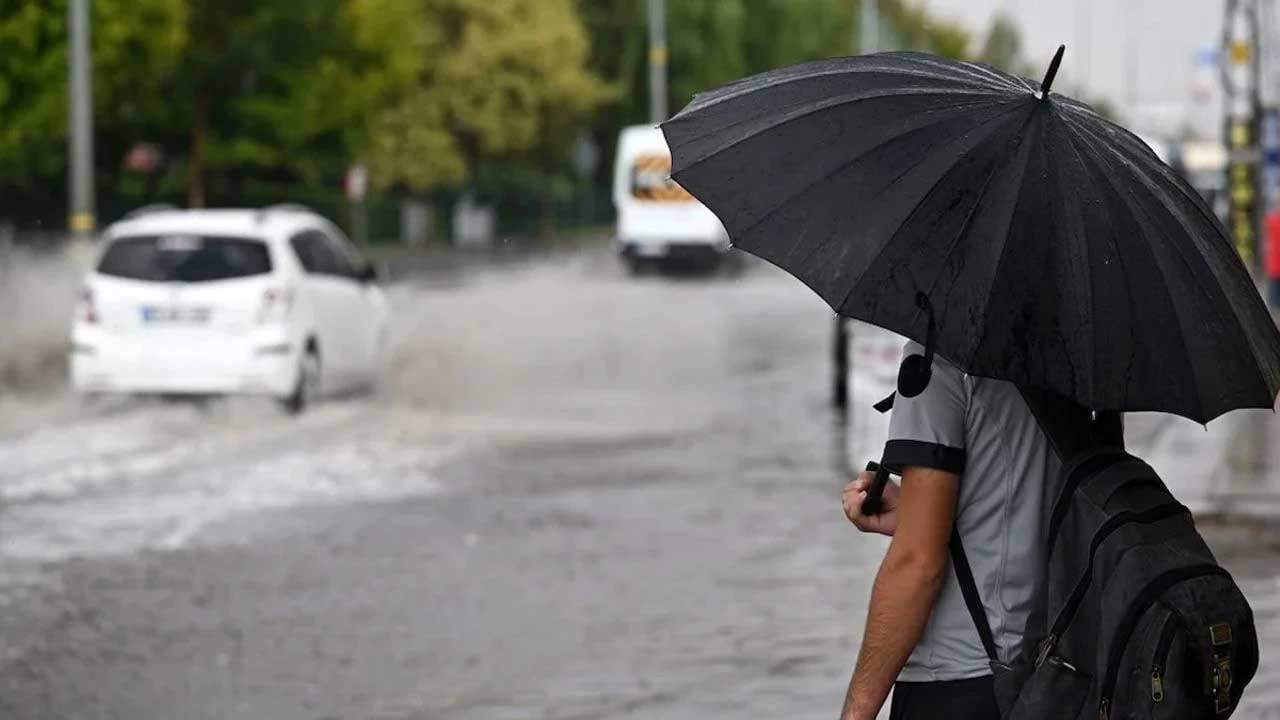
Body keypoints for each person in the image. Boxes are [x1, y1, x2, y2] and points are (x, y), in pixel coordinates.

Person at [836, 342, 1062, 720]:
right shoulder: (1076, 361)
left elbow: (917, 565)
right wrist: (916, 516)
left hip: (956, 682)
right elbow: (1036, 505)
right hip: (1054, 672)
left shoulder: (937, 359)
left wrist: (855, 715)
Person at [1265, 199, 1280, 309]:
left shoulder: (1270, 219)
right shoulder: (1272, 220)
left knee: (1274, 304)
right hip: (1275, 266)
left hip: (1274, 266)